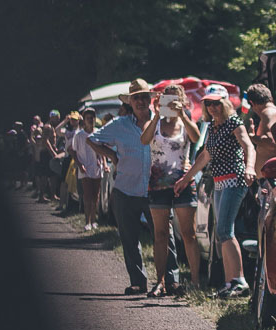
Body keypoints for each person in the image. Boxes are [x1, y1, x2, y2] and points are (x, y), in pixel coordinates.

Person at [90, 79, 159, 295]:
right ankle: (138, 281)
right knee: (129, 239)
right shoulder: (119, 124)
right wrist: (111, 155)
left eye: (144, 97)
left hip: (155, 189)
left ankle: (169, 280)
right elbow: (92, 139)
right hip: (125, 189)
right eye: (135, 97)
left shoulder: (160, 122)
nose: (140, 101)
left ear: (150, 100)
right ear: (130, 101)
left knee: (163, 235)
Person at [141, 89, 203, 296]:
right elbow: (144, 139)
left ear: (183, 101)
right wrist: (157, 113)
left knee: (188, 234)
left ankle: (195, 282)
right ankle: (160, 282)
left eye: (176, 100)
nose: (171, 103)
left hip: (183, 183)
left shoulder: (185, 123)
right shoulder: (155, 122)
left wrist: (183, 114)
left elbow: (196, 138)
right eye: (168, 99)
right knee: (159, 235)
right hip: (158, 185)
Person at [198, 84, 257, 297]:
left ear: (225, 103)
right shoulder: (212, 127)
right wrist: (185, 179)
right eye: (208, 103)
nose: (212, 107)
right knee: (221, 233)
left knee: (225, 230)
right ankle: (228, 283)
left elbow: (248, 146)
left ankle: (240, 282)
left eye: (216, 103)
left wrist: (250, 167)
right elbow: (205, 156)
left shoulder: (233, 122)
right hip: (219, 181)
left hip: (235, 180)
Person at [66, 112, 104, 232]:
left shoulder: (99, 132)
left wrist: (102, 161)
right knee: (87, 196)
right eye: (88, 118)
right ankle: (87, 221)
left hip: (97, 168)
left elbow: (102, 149)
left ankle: (94, 220)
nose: (91, 120)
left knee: (95, 196)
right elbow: (72, 150)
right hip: (85, 168)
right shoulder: (79, 135)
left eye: (92, 117)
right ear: (84, 120)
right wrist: (79, 164)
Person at [246, 84, 276, 180]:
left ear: (252, 103)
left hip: (269, 179)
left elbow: (271, 142)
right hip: (271, 176)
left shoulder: (268, 113)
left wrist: (251, 136)